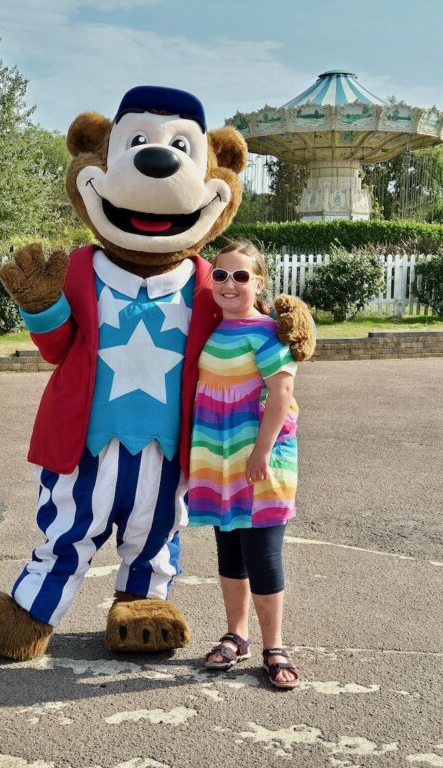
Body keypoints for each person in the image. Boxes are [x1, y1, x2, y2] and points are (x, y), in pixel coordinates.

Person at [187, 240, 301, 689]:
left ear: (259, 282)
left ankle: (275, 645)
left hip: (260, 459)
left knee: (263, 553)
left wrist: (261, 452)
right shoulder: (213, 330)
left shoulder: (268, 331)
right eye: (220, 275)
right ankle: (237, 635)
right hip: (219, 457)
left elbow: (282, 394)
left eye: (240, 276)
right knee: (229, 550)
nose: (229, 284)